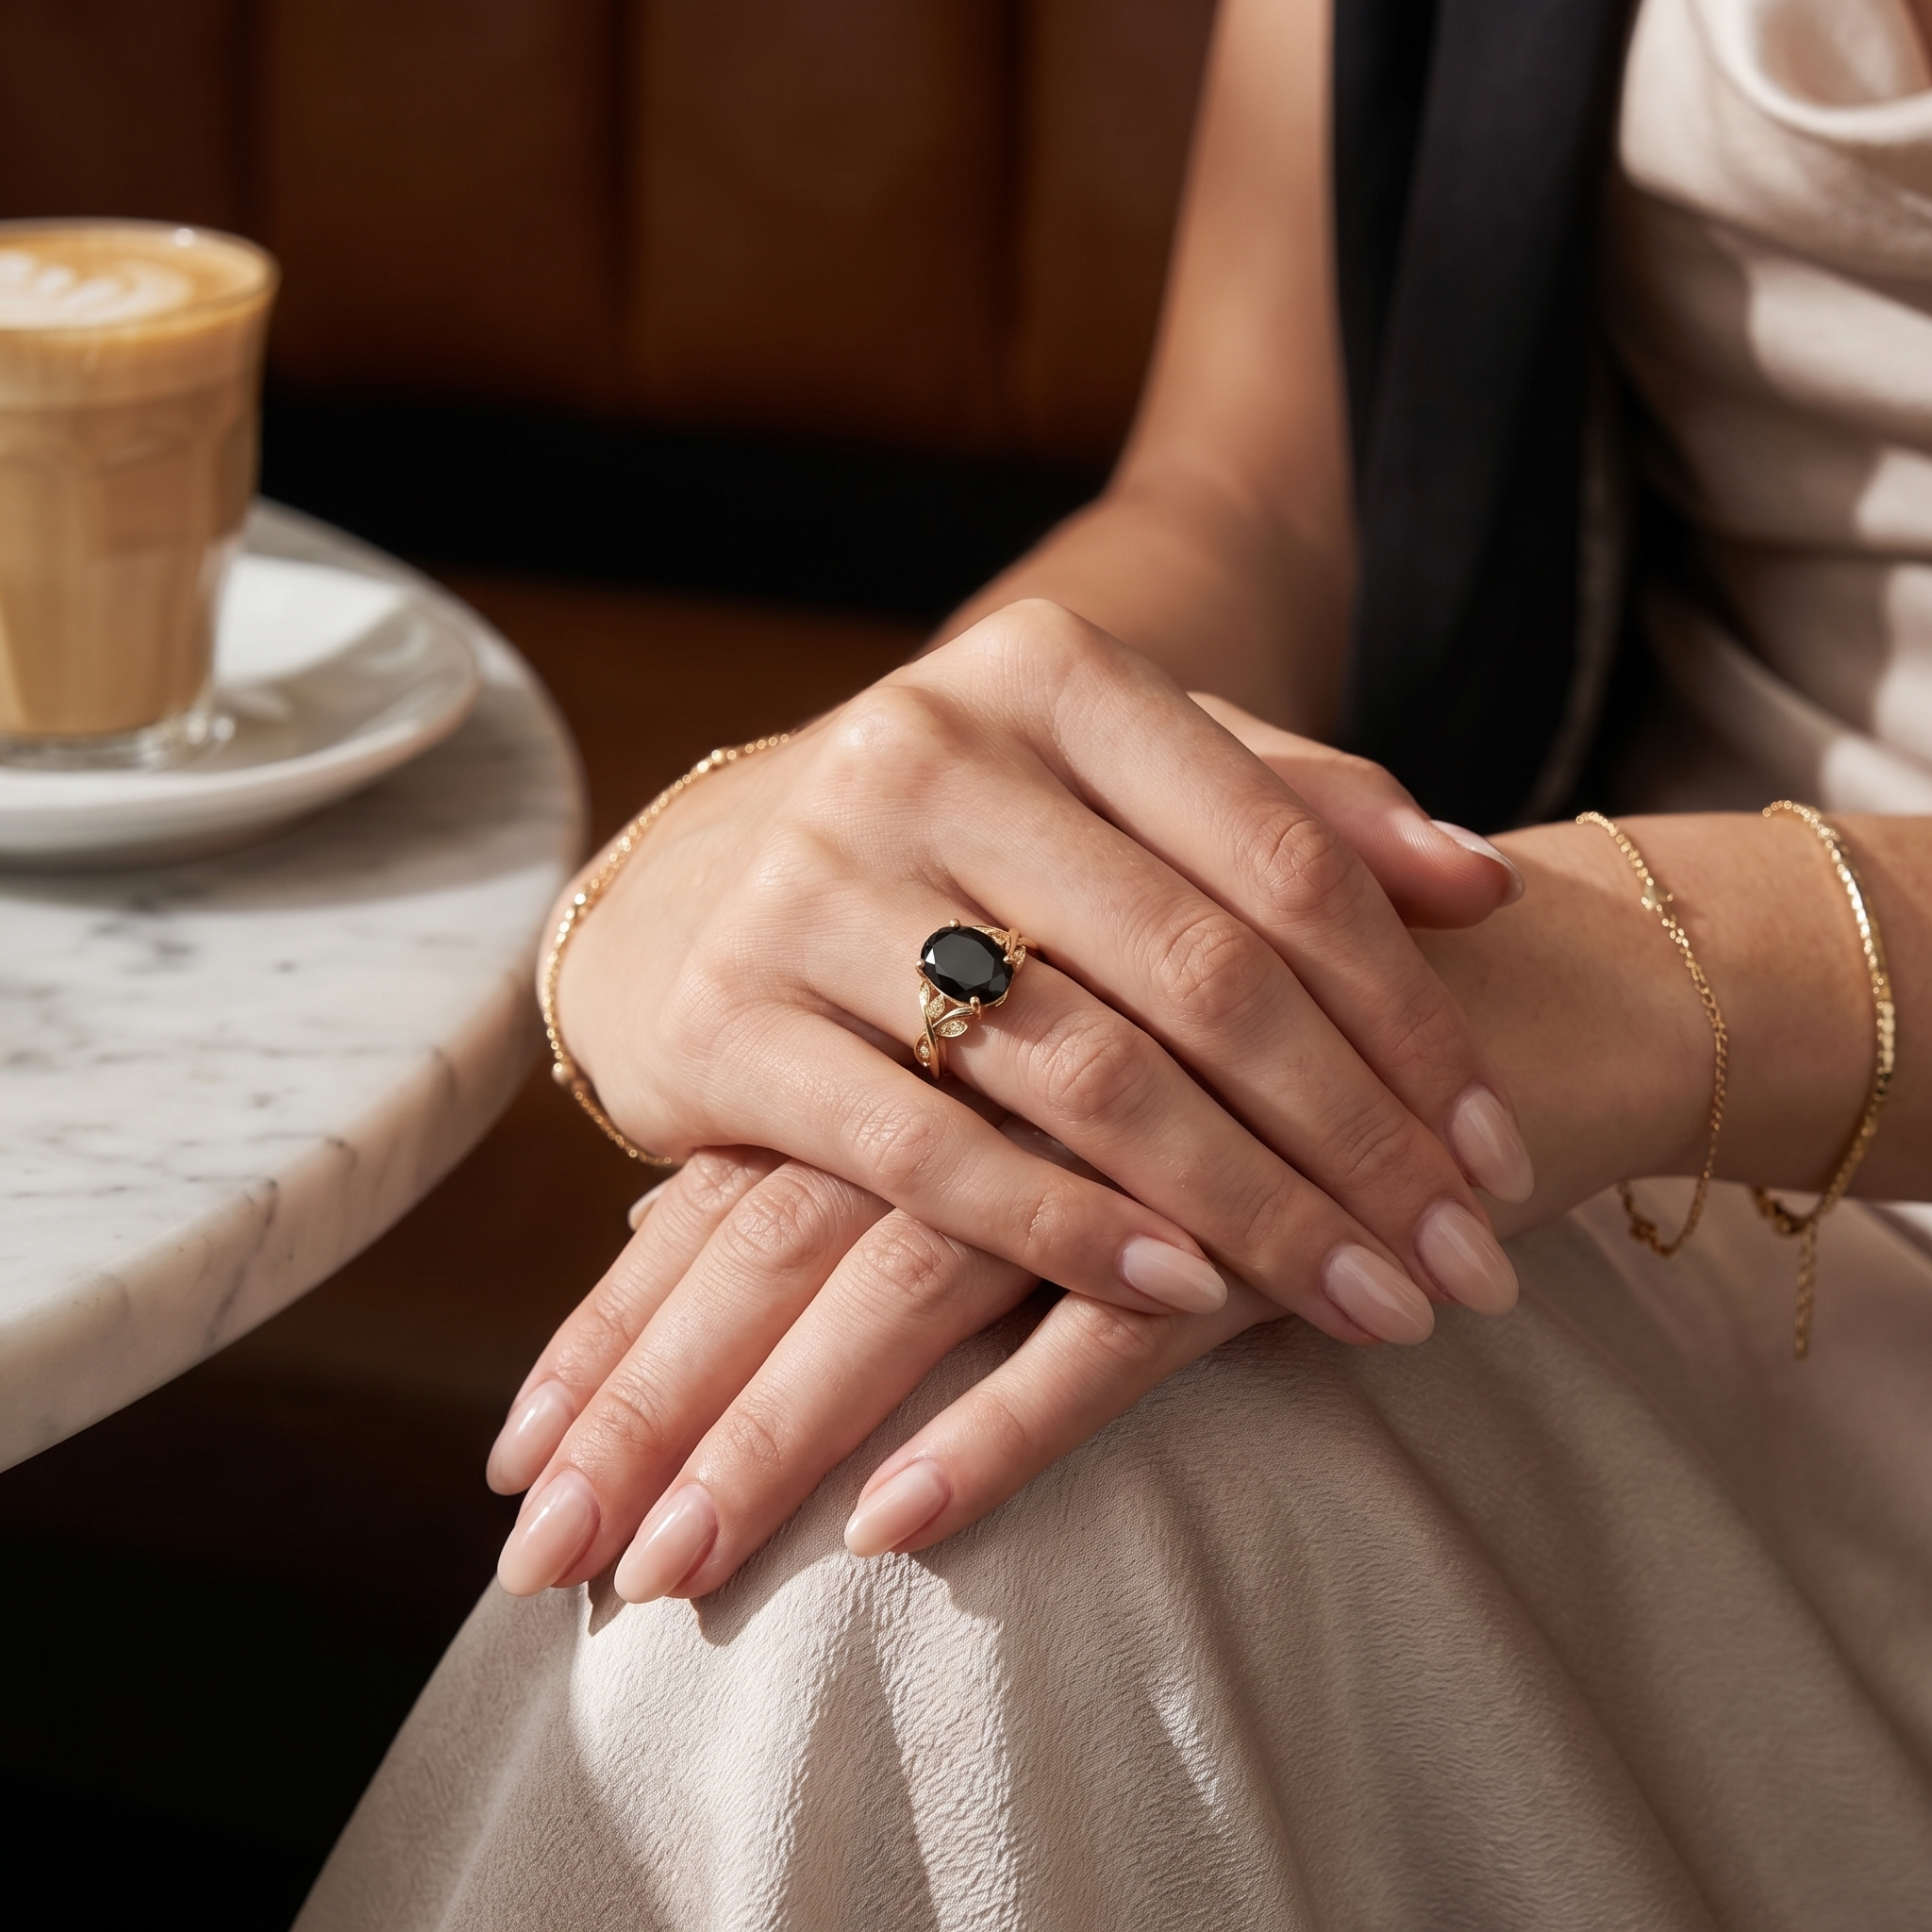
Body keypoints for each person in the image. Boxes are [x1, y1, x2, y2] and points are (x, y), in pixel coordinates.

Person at [298, 0, 1932, 1924]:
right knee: (913, 1434)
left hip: (1672, 1059)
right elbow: (1254, 497)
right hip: (1652, 1175)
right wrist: (905, 822)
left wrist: (1643, 977)